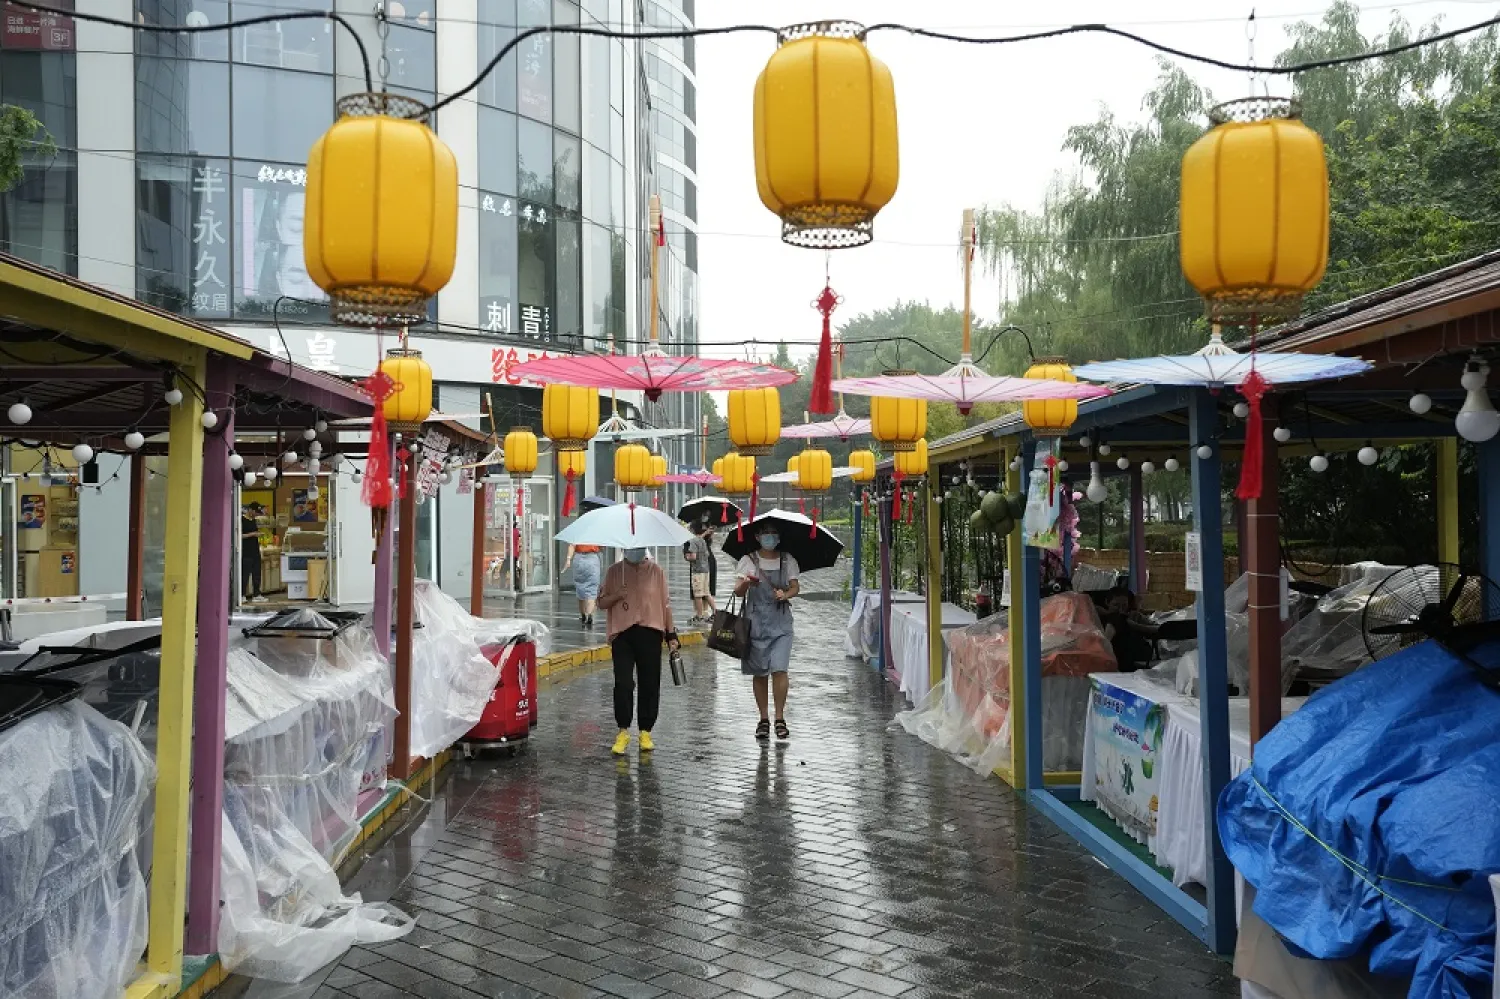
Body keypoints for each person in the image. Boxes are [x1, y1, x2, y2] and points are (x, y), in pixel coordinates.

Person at [597, 547, 679, 755]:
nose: (635, 551)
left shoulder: (656, 571)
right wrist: (617, 595)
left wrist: (671, 634)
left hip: (650, 633)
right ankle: (623, 730)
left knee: (650, 683)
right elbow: (601, 602)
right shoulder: (614, 571)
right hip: (622, 634)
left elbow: (665, 604)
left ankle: (645, 731)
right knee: (623, 683)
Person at [734, 525, 799, 741]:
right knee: (759, 671)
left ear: (779, 537)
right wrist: (746, 583)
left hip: (780, 622)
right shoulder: (748, 560)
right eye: (766, 533)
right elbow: (737, 592)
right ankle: (763, 719)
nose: (770, 537)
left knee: (780, 669)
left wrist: (786, 593)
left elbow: (795, 587)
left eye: (774, 533)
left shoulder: (787, 559)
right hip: (755, 622)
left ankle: (780, 717)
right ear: (757, 537)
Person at [563, 543, 602, 626]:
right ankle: (590, 615)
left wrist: (568, 559)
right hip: (592, 559)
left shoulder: (578, 533)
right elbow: (601, 547)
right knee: (592, 588)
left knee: (580, 587)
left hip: (578, 559)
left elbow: (572, 545)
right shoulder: (596, 533)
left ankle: (583, 615)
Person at [683, 522, 712, 623]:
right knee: (707, 593)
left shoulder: (693, 541)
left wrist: (687, 557)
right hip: (706, 571)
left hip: (697, 572)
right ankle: (716, 612)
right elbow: (707, 554)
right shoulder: (703, 541)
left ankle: (699, 616)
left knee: (698, 595)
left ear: (692, 530)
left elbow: (693, 556)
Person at [240, 503, 266, 602]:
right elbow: (240, 536)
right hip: (246, 551)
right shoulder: (242, 520)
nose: (255, 514)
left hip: (255, 550)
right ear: (250, 510)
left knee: (257, 573)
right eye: (255, 512)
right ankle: (242, 594)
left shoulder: (254, 520)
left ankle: (256, 594)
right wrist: (253, 534)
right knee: (245, 574)